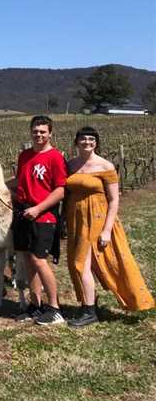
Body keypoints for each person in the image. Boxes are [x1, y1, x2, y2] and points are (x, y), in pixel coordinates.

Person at [64, 126, 154, 326]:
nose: (87, 142)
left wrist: (106, 230)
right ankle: (89, 303)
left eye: (91, 139)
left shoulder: (105, 166)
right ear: (76, 142)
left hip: (97, 218)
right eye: (83, 139)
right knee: (78, 263)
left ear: (96, 143)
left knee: (84, 263)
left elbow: (114, 200)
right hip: (76, 219)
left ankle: (89, 311)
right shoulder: (70, 165)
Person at [12, 116, 68, 325]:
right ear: (30, 132)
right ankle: (35, 306)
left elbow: (60, 190)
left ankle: (54, 308)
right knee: (27, 260)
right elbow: (20, 182)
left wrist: (37, 209)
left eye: (43, 131)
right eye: (35, 131)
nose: (39, 135)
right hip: (23, 214)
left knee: (38, 259)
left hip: (43, 216)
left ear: (50, 133)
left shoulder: (55, 157)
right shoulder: (24, 156)